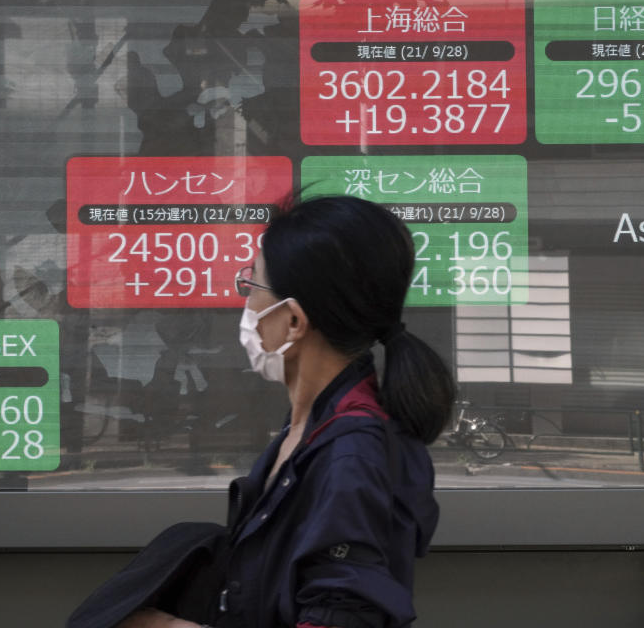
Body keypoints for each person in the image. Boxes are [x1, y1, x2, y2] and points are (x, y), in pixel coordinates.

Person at [118, 196, 455, 628]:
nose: (247, 303)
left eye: (254, 285)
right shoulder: (311, 427)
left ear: (293, 321)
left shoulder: (351, 454)